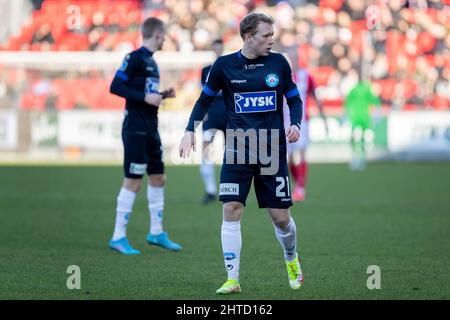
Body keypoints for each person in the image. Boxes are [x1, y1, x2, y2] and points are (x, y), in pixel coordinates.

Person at [179, 13, 304, 294]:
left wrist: (294, 123)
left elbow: (294, 99)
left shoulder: (279, 63)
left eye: (272, 35)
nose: (271, 40)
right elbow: (204, 100)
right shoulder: (224, 66)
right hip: (237, 148)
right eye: (266, 35)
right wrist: (189, 129)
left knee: (281, 218)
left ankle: (291, 257)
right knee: (231, 208)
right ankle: (232, 279)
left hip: (271, 149)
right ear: (248, 36)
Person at [108, 17, 182, 255]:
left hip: (151, 127)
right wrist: (144, 97)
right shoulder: (135, 57)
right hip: (135, 128)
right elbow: (116, 86)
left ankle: (157, 232)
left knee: (159, 178)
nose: (166, 39)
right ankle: (118, 236)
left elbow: (146, 94)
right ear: (157, 34)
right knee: (134, 180)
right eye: (165, 35)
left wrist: (161, 95)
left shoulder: (151, 62)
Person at [283, 67, 328, 201]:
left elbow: (315, 97)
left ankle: (300, 188)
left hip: (302, 122)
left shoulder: (306, 76)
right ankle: (297, 183)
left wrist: (324, 118)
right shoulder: (281, 73)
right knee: (289, 158)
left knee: (301, 154)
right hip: (284, 122)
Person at [199, 38, 228, 205]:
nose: (218, 51)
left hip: (228, 115)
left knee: (230, 153)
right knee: (205, 151)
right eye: (215, 48)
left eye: (220, 48)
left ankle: (228, 188)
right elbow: (202, 94)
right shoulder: (205, 71)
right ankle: (210, 189)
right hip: (211, 116)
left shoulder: (229, 67)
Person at [344, 77, 381, 170]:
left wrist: (345, 116)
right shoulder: (367, 90)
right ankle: (361, 158)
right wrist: (376, 115)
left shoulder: (354, 90)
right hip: (364, 117)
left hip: (356, 117)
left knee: (356, 138)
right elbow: (376, 102)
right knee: (361, 138)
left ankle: (356, 158)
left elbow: (347, 104)